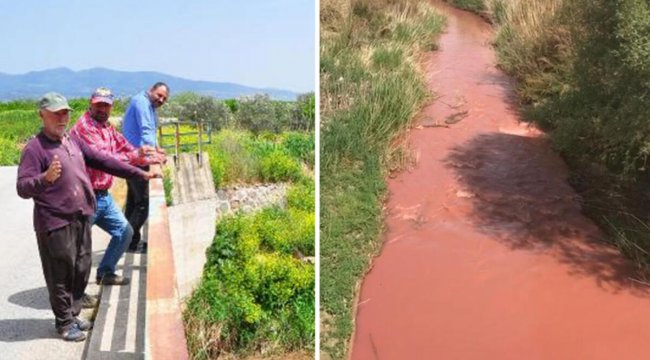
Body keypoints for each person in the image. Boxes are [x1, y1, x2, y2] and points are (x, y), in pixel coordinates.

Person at [16, 92, 160, 341]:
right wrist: (44, 178)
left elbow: (103, 160)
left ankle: (73, 315)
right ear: (42, 115)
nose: (62, 118)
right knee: (60, 274)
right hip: (55, 221)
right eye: (56, 113)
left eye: (65, 113)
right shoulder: (35, 149)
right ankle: (63, 324)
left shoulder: (70, 139)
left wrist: (139, 173)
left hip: (81, 214)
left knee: (81, 268)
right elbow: (22, 187)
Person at [70, 87, 165, 286]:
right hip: (84, 196)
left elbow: (125, 147)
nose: (102, 109)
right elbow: (106, 160)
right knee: (79, 248)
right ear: (91, 103)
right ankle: (74, 293)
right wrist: (137, 158)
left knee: (125, 232)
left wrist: (149, 155)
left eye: (106, 105)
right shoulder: (85, 127)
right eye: (99, 105)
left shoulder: (106, 127)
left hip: (102, 195)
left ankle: (106, 272)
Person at [121, 82, 169, 252]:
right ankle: (124, 240)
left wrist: (156, 148)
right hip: (137, 160)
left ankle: (130, 242)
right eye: (159, 95)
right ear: (151, 90)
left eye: (164, 98)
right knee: (144, 203)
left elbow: (150, 132)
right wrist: (154, 157)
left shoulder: (147, 104)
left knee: (134, 202)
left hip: (133, 158)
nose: (161, 99)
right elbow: (147, 129)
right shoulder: (141, 102)